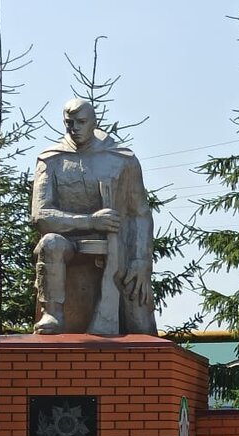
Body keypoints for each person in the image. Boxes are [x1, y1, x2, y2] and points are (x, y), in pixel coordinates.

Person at [31, 98, 156, 335]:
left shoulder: (121, 159)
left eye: (81, 122)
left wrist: (141, 260)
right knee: (50, 243)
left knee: (139, 320)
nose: (74, 128)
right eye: (69, 123)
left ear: (94, 122)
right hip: (67, 241)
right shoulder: (51, 159)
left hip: (116, 247)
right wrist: (90, 221)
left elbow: (140, 213)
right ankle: (53, 314)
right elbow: (41, 216)